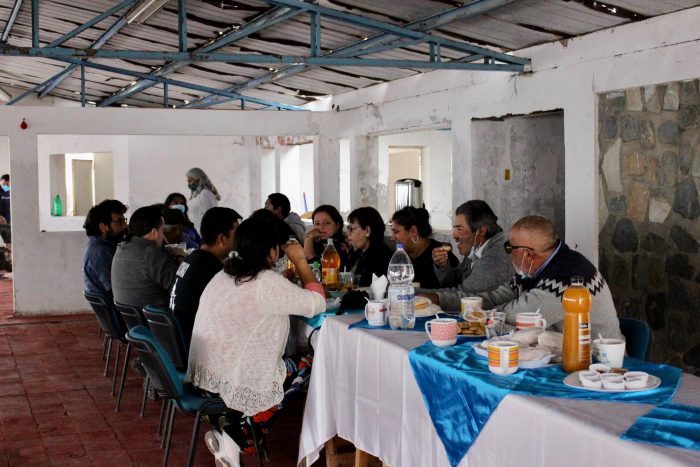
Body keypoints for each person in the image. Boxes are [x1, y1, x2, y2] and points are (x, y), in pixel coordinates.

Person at [187, 216, 325, 465]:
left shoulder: (224, 275)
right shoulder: (266, 282)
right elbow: (317, 304)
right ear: (273, 250)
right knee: (312, 360)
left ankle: (228, 430)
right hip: (235, 377)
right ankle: (236, 437)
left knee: (283, 364)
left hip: (207, 375)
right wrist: (301, 261)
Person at [479, 215, 623, 339]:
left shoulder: (568, 276)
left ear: (527, 254)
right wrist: (467, 304)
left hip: (596, 361)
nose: (508, 253)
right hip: (560, 351)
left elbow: (520, 315)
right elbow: (499, 296)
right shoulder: (532, 269)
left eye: (510, 247)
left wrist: (481, 316)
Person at [421, 200, 514, 310]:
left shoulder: (496, 257)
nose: (454, 235)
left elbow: (465, 295)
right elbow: (456, 283)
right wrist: (443, 267)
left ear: (481, 231)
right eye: (455, 228)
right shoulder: (477, 247)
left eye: (459, 229)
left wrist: (417, 295)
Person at [169, 207, 242, 346]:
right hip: (200, 347)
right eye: (236, 234)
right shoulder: (210, 270)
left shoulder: (193, 259)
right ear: (221, 239)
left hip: (182, 342)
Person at [111, 205, 180, 309]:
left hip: (132, 322)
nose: (163, 235)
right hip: (159, 321)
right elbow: (180, 289)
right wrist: (181, 261)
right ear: (154, 233)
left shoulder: (120, 249)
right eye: (162, 230)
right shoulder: (151, 255)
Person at [390, 206, 458, 289]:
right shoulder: (399, 257)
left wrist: (443, 267)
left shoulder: (441, 255)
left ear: (413, 231)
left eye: (396, 232)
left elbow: (454, 290)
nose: (392, 238)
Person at [82, 199, 128, 298]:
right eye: (119, 222)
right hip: (116, 308)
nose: (125, 226)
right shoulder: (101, 252)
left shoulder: (96, 243)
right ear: (103, 227)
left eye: (124, 220)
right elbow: (116, 289)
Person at [346, 207, 393, 286]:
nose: (348, 233)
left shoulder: (382, 258)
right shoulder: (358, 254)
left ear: (367, 231)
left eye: (351, 229)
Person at [303, 204, 350, 269]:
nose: (321, 227)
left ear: (337, 225)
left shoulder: (344, 244)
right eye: (317, 223)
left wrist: (308, 238)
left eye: (326, 223)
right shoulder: (315, 242)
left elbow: (315, 269)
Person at [186, 168, 220, 232]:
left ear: (199, 180)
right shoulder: (196, 194)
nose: (188, 182)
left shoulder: (205, 194)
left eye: (190, 180)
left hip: (202, 232)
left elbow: (209, 216)